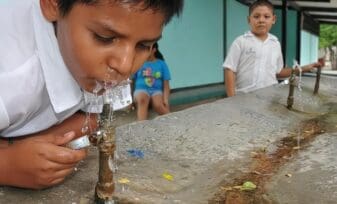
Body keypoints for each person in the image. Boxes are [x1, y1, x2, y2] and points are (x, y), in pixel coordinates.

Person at [0, 0, 183, 189]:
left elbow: (91, 121)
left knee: (86, 126)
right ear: (53, 4)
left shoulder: (89, 55)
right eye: (105, 37)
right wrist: (8, 165)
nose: (125, 65)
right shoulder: (13, 79)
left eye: (144, 45)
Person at [223, 0, 323, 97]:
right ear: (249, 19)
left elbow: (278, 72)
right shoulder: (241, 41)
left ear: (273, 19)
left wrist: (304, 69)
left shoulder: (275, 44)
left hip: (269, 98)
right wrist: (231, 98)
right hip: (243, 97)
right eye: (256, 16)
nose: (261, 20)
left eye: (266, 17)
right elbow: (229, 69)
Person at [132, 43, 171, 120]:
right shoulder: (138, 62)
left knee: (158, 105)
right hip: (141, 89)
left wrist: (165, 100)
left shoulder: (161, 64)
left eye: (148, 49)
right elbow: (132, 81)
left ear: (154, 50)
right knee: (142, 100)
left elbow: (166, 84)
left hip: (156, 91)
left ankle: (173, 121)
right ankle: (141, 125)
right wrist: (130, 99)